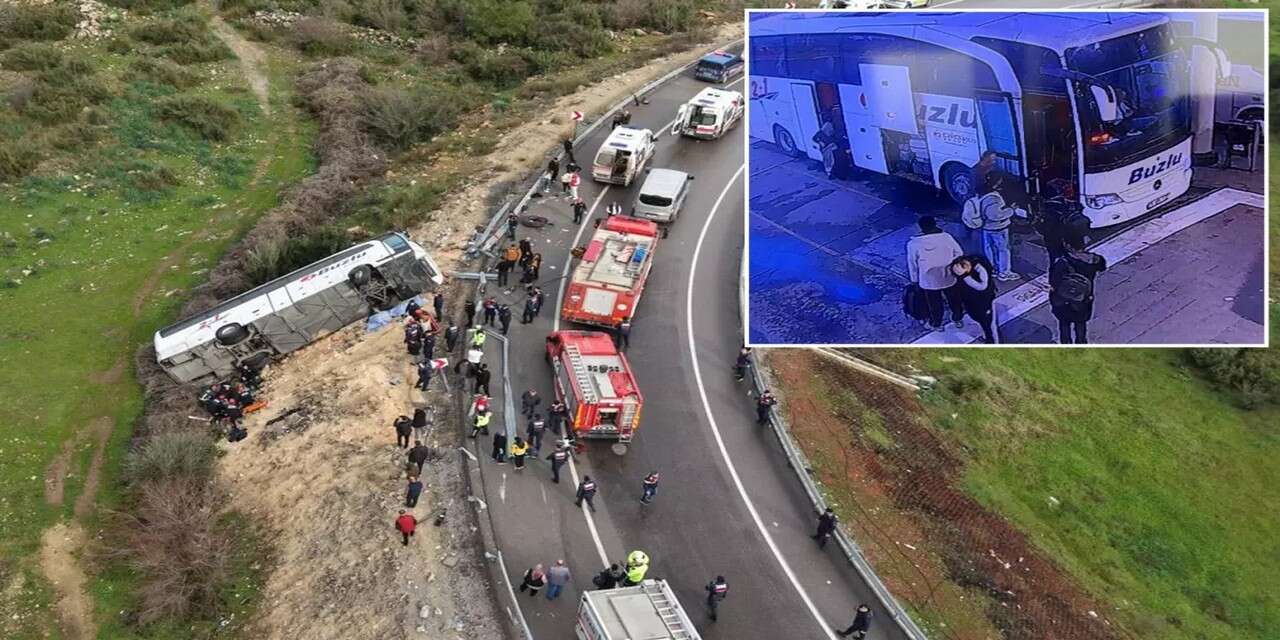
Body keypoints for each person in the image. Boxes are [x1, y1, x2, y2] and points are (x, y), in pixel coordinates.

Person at [961, 172, 1023, 281]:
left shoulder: (981, 192)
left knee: (989, 249)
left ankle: (993, 269)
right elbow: (995, 215)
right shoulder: (993, 198)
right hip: (998, 228)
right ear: (997, 182)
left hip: (986, 227)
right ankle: (1004, 273)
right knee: (1003, 250)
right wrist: (1011, 210)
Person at [905, 216, 964, 330]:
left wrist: (914, 280)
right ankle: (957, 318)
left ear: (921, 227)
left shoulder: (914, 244)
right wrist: (948, 262)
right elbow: (959, 252)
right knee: (954, 300)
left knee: (934, 304)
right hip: (948, 276)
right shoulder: (946, 237)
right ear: (935, 224)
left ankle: (936, 324)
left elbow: (912, 264)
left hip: (928, 279)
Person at [1049, 236, 1106, 345]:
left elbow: (1053, 281)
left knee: (1064, 325)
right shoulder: (1094, 260)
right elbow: (1102, 267)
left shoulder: (1062, 262)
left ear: (1068, 246)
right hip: (1083, 299)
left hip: (1063, 301)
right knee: (1081, 324)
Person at [950, 255, 998, 343]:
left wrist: (965, 276)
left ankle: (993, 343)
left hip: (985, 302)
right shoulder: (963, 273)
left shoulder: (980, 269)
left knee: (990, 325)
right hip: (972, 303)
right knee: (981, 321)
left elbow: (982, 286)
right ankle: (987, 336)